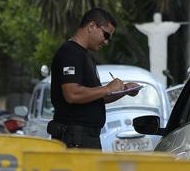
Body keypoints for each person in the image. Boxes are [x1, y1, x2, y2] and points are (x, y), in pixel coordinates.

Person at [47, 8, 139, 149]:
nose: (106, 42)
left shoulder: (85, 55)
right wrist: (107, 88)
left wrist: (124, 90)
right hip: (75, 138)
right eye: (106, 35)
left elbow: (95, 97)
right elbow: (72, 94)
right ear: (91, 26)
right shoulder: (70, 52)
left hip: (85, 137)